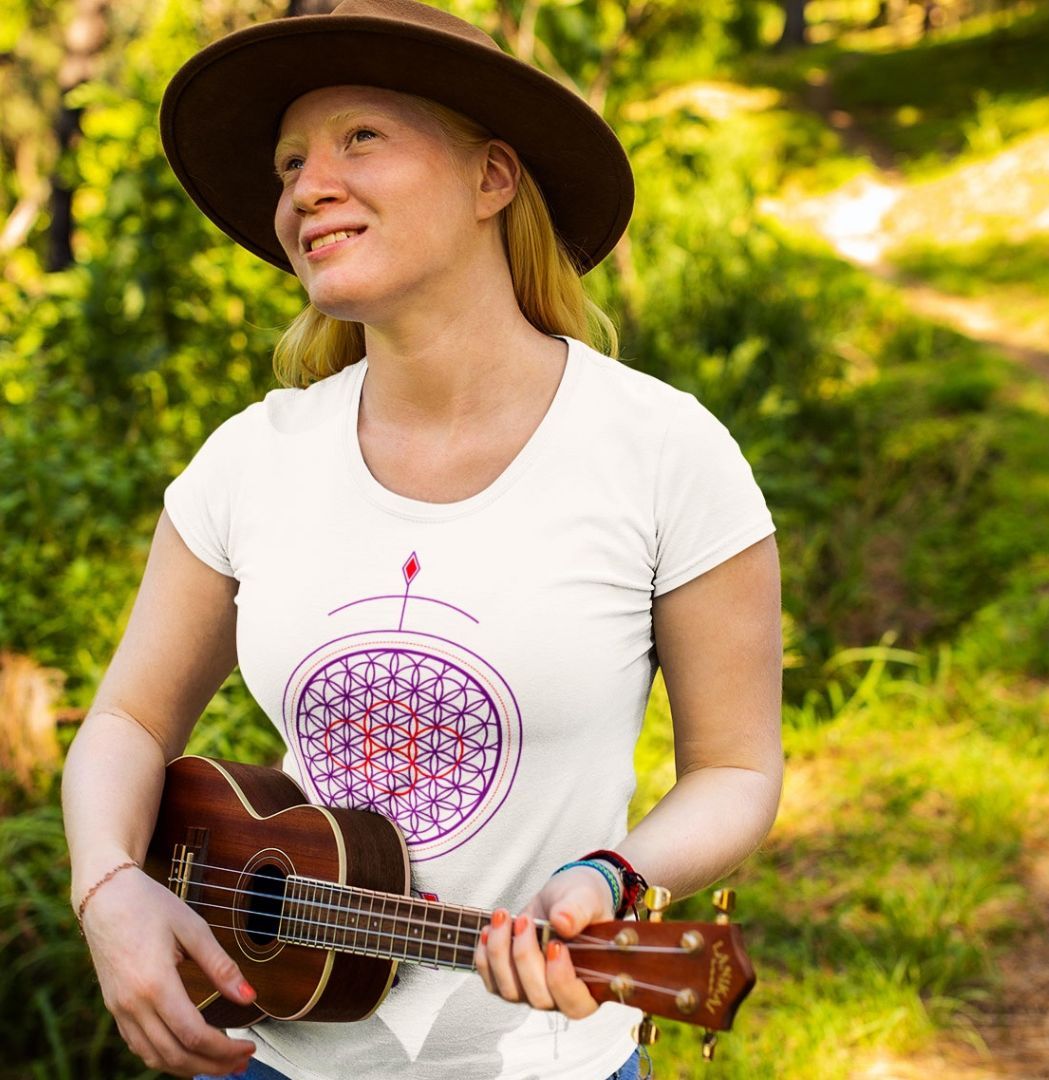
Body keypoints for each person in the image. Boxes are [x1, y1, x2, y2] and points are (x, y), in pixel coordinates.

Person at [61, 1, 784, 1078]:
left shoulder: (662, 450)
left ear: (493, 179)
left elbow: (734, 769)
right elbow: (125, 716)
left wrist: (613, 877)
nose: (307, 186)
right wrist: (108, 889)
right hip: (272, 1057)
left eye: (362, 139)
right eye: (291, 160)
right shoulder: (248, 462)